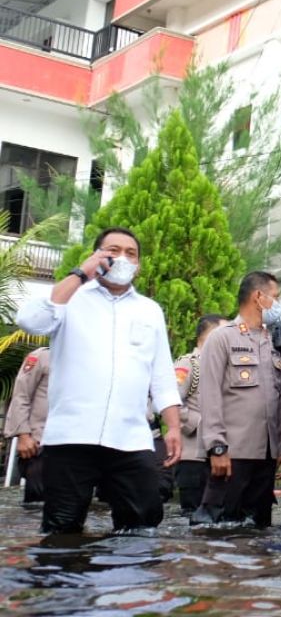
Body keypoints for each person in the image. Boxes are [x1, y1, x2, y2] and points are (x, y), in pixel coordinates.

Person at [15, 227, 183, 533]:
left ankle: (126, 581)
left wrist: (173, 425)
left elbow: (161, 374)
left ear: (139, 265)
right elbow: (30, 320)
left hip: (129, 438)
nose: (122, 258)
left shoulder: (149, 311)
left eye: (131, 253)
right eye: (113, 251)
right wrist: (81, 274)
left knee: (142, 522)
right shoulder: (70, 299)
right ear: (97, 255)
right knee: (62, 528)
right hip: (71, 437)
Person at [192, 271, 281, 527]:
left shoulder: (274, 342)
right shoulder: (222, 337)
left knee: (259, 531)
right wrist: (216, 447)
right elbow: (210, 395)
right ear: (258, 297)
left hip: (266, 455)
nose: (278, 304)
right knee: (221, 531)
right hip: (231, 454)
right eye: (276, 297)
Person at [173, 314, 227, 515]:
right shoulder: (189, 364)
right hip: (192, 456)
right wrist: (200, 424)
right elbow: (173, 402)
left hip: (219, 454)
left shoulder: (225, 366)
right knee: (192, 517)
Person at [4, 346, 50, 504]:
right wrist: (23, 436)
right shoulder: (41, 356)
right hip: (39, 443)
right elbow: (21, 396)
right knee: (36, 505)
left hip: (75, 445)